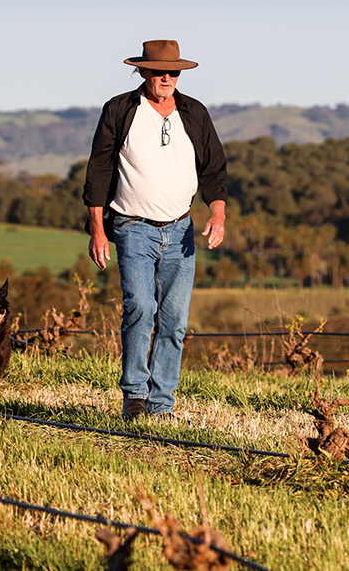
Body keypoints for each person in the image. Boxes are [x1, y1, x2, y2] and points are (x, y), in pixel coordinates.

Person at [83, 40, 227, 420]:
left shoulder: (194, 113)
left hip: (181, 230)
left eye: (173, 71)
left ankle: (161, 404)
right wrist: (98, 230)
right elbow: (98, 172)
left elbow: (214, 169)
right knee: (141, 307)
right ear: (143, 71)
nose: (167, 77)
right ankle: (134, 394)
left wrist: (218, 214)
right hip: (132, 227)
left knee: (175, 320)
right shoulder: (120, 110)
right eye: (159, 71)